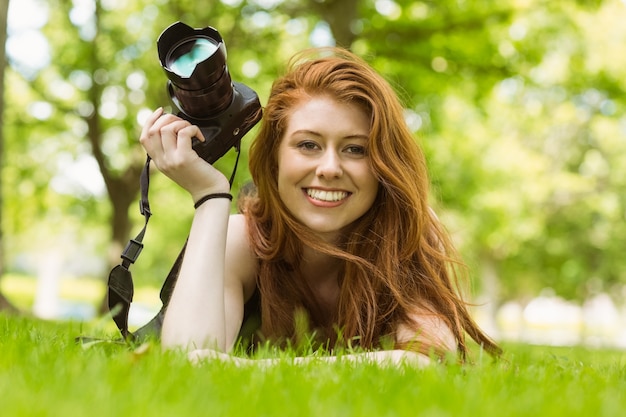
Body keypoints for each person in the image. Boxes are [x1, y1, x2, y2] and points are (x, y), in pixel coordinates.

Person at [139, 47, 501, 365]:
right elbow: (187, 359)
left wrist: (239, 369)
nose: (329, 169)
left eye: (355, 149)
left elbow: (429, 361)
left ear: (383, 166)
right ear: (275, 158)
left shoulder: (409, 232)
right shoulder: (243, 239)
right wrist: (209, 196)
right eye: (308, 145)